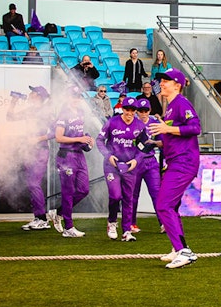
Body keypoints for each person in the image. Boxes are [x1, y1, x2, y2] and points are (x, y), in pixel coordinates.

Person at [147, 68, 202, 269]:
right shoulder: (170, 107)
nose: (162, 83)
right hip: (176, 162)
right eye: (161, 80)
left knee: (163, 205)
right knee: (171, 207)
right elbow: (176, 136)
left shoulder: (180, 103)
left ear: (177, 85)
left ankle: (183, 251)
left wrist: (167, 129)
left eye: (166, 81)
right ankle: (178, 247)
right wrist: (160, 139)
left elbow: (196, 128)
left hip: (183, 163)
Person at [98, 97, 147, 241]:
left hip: (130, 167)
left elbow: (144, 145)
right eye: (127, 109)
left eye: (133, 110)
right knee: (115, 195)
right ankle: (112, 222)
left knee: (128, 198)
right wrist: (108, 156)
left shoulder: (139, 125)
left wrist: (136, 160)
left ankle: (126, 231)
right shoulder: (112, 122)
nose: (130, 112)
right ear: (122, 109)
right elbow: (99, 140)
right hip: (111, 165)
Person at [53, 86, 94, 237]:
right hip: (67, 155)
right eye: (73, 96)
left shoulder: (81, 112)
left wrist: (88, 139)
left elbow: (80, 133)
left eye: (78, 96)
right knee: (68, 192)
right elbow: (58, 137)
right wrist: (79, 139)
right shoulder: (63, 114)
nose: (76, 99)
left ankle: (59, 212)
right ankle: (68, 228)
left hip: (79, 154)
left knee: (84, 190)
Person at [16, 86, 56, 231]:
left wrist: (38, 138)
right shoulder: (29, 110)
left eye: (33, 92)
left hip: (41, 150)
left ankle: (42, 218)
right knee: (31, 184)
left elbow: (55, 132)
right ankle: (37, 217)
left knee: (34, 184)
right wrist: (13, 101)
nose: (30, 94)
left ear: (39, 96)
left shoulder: (46, 112)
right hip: (28, 150)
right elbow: (10, 117)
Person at [132, 97, 163, 235]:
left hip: (151, 160)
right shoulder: (131, 123)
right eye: (140, 110)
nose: (143, 113)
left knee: (157, 193)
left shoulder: (155, 123)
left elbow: (163, 143)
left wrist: (153, 142)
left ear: (149, 110)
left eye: (145, 110)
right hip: (135, 161)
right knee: (133, 194)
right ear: (137, 111)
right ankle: (131, 223)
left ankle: (163, 223)